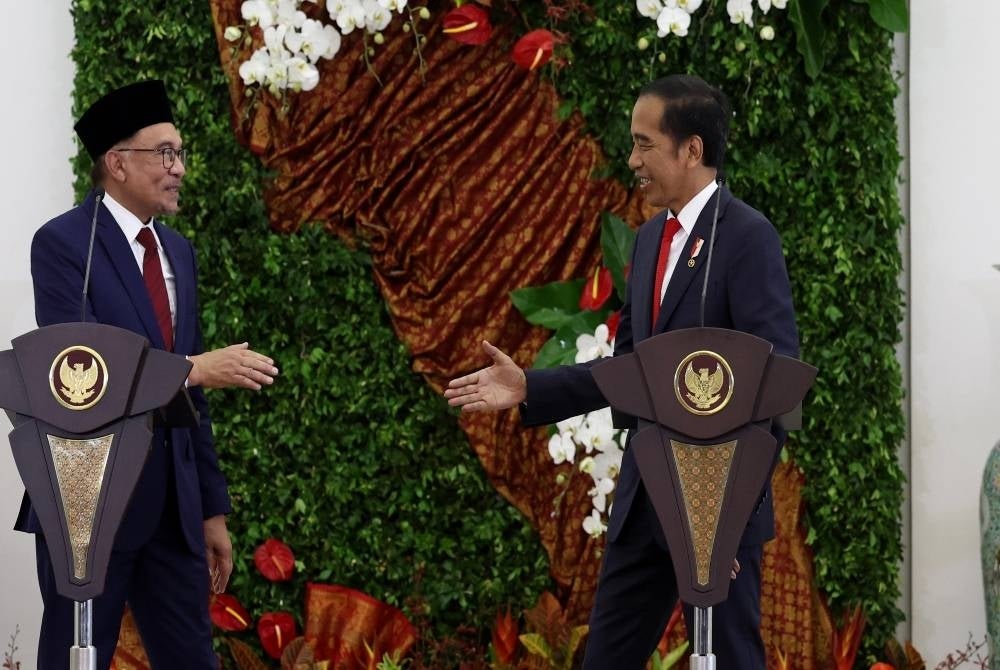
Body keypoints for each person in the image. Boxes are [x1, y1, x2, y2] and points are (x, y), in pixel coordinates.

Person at [445, 74, 798, 670]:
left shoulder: (747, 237)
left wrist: (730, 506)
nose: (632, 160)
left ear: (692, 149)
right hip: (646, 498)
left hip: (716, 509)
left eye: (644, 144)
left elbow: (775, 381)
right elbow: (632, 372)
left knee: (733, 660)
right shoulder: (649, 239)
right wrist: (532, 386)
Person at [17, 79, 280, 669]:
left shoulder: (178, 252)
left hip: (173, 512)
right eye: (164, 153)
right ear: (117, 163)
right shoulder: (63, 245)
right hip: (90, 506)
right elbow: (78, 371)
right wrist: (194, 369)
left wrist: (211, 510)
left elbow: (194, 405)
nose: (179, 168)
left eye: (180, 153)